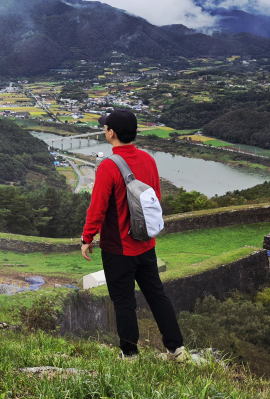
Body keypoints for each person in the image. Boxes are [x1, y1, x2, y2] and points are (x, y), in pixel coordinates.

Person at [80, 109, 188, 361]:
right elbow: (155, 200)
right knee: (157, 295)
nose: (105, 130)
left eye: (105, 127)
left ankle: (129, 355)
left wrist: (87, 238)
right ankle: (177, 350)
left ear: (111, 133)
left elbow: (97, 209)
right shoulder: (148, 160)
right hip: (146, 243)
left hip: (119, 248)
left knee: (124, 302)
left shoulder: (109, 166)